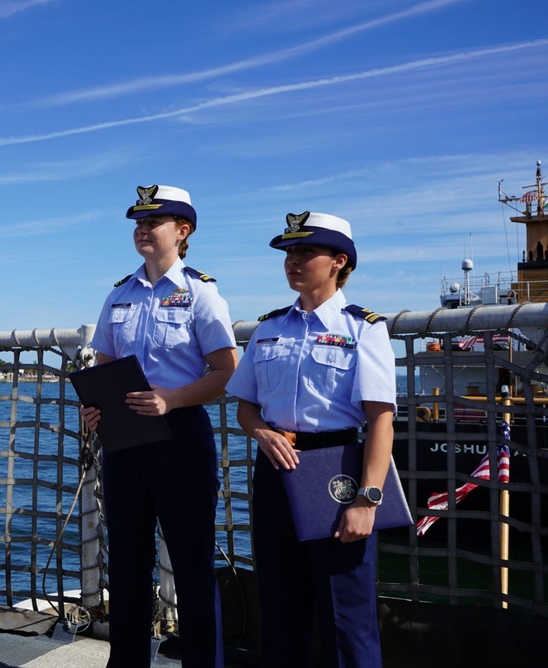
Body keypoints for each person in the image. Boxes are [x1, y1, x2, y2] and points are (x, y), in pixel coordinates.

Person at [229, 211, 396, 667]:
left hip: (335, 468)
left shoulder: (363, 328)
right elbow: (245, 404)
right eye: (289, 253)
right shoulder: (268, 329)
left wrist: (368, 499)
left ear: (339, 261)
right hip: (276, 467)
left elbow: (381, 420)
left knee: (346, 614)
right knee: (280, 607)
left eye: (306, 252)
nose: (293, 261)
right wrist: (261, 432)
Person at [80, 185, 237, 668]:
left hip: (181, 437)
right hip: (125, 440)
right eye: (138, 223)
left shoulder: (201, 294)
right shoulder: (118, 295)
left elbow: (226, 372)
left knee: (191, 565)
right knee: (127, 562)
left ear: (183, 231)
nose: (142, 230)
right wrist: (94, 408)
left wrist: (171, 399)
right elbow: (103, 368)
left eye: (155, 222)